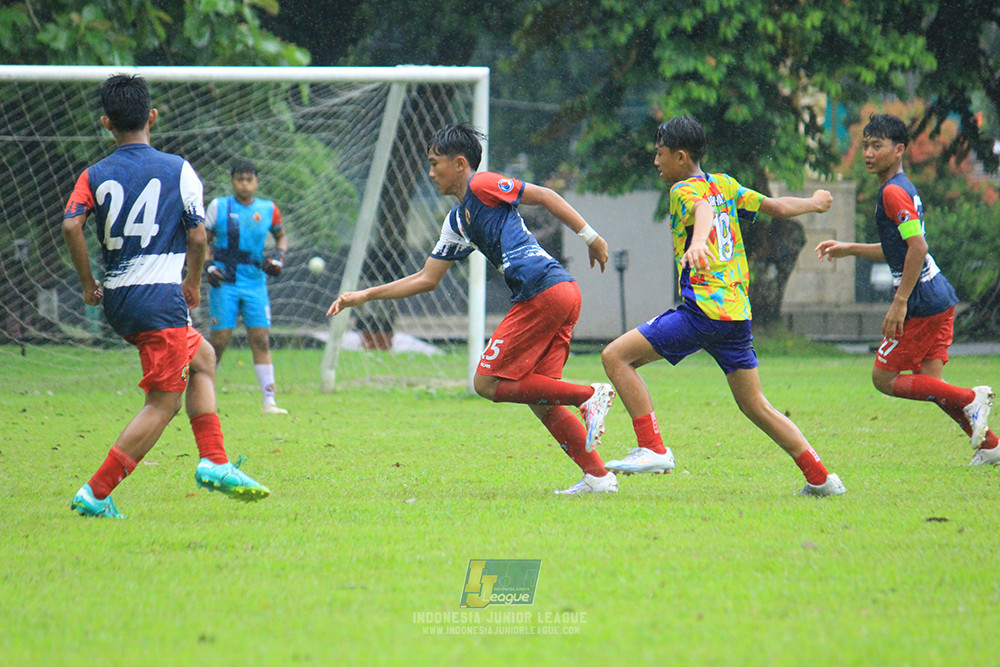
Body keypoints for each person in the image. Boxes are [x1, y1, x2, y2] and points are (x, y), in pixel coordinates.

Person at [328, 123, 618, 494]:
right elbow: (427, 278)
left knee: (485, 382)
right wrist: (364, 296)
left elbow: (545, 195)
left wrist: (591, 237)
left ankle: (588, 395)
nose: (430, 172)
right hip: (560, 293)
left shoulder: (483, 184)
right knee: (542, 398)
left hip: (542, 290)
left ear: (460, 164)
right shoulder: (457, 221)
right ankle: (598, 477)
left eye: (435, 164)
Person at [600, 115, 846, 496]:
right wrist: (813, 203)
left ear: (681, 157)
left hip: (703, 310)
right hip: (736, 314)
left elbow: (703, 211)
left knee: (615, 357)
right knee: (756, 405)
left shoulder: (683, 190)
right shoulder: (725, 184)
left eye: (660, 154)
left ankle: (652, 447)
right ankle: (821, 478)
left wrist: (699, 242)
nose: (656, 161)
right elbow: (776, 207)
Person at [62, 73, 270, 518]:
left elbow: (70, 225)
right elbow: (197, 236)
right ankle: (96, 493)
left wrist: (87, 283)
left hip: (119, 299)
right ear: (152, 117)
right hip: (159, 297)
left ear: (106, 123)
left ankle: (215, 460)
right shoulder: (178, 169)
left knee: (204, 357)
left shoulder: (93, 174)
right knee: (163, 402)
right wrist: (192, 282)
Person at [815, 112, 995, 463]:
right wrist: (850, 248)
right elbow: (900, 248)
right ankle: (991, 446)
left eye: (877, 146)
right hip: (939, 294)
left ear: (899, 150)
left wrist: (900, 302)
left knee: (883, 378)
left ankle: (971, 398)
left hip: (921, 301)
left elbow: (918, 248)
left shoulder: (892, 192)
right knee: (933, 384)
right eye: (865, 146)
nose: (868, 153)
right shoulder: (902, 187)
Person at [204, 159, 289, 414]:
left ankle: (270, 401)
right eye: (240, 179)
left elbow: (281, 236)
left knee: (261, 339)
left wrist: (279, 257)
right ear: (233, 181)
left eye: (249, 179)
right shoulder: (219, 206)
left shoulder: (268, 209)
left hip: (255, 282)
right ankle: (206, 398)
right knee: (219, 341)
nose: (244, 184)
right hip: (225, 283)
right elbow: (203, 240)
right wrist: (208, 265)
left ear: (257, 182)